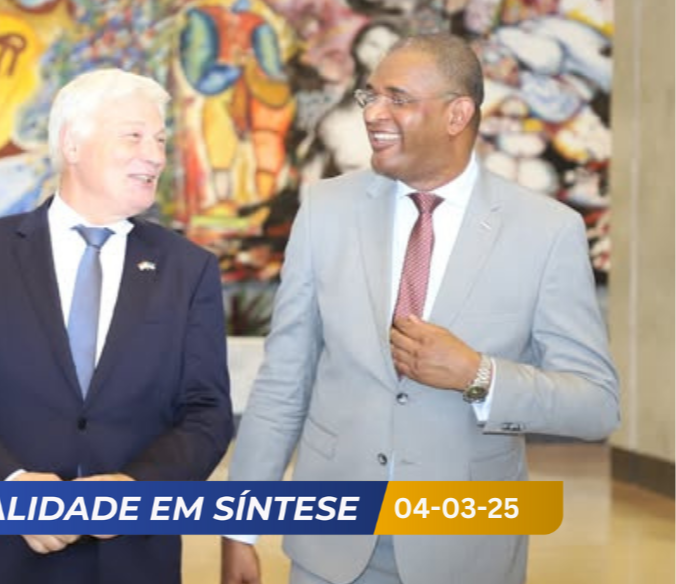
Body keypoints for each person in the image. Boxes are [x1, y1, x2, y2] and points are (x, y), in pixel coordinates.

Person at [222, 32, 619, 584]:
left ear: (458, 114)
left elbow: (596, 405)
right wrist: (240, 526)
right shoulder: (325, 209)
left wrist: (478, 376)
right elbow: (282, 381)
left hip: (467, 552)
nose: (373, 113)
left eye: (398, 99)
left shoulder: (547, 231)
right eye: (370, 96)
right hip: (328, 548)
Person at [0, 68, 233, 584]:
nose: (155, 155)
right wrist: (9, 487)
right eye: (134, 136)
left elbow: (207, 413)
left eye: (160, 140)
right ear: (72, 143)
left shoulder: (189, 268)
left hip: (134, 559)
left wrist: (138, 490)